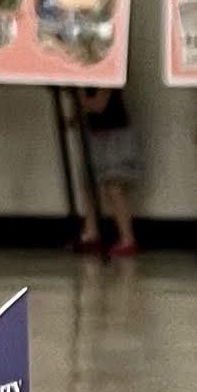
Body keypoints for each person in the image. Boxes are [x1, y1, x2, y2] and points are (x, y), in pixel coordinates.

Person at [73, 86, 144, 261]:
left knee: (114, 185)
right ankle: (91, 232)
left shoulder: (107, 80)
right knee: (90, 185)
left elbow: (99, 105)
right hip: (97, 132)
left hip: (115, 134)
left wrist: (78, 99)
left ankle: (127, 238)